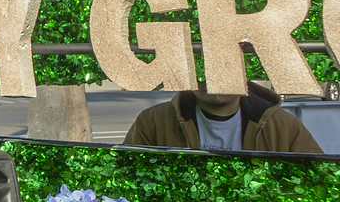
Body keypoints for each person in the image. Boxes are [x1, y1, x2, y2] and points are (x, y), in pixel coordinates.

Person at [124, 83, 323, 154]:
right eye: (201, 68)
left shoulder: (283, 126)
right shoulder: (153, 122)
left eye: (225, 66)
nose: (213, 79)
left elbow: (318, 181)